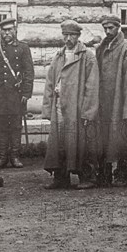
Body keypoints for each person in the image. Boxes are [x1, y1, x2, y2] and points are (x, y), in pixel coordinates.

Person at [42, 20, 100, 190]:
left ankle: (87, 177)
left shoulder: (87, 56)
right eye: (65, 35)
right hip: (60, 105)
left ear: (78, 36)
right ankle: (61, 177)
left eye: (72, 35)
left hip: (77, 107)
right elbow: (50, 82)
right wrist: (47, 107)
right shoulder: (59, 55)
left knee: (81, 142)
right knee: (60, 141)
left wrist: (88, 111)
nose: (68, 39)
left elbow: (92, 85)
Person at [95, 15, 127, 186]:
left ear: (118, 27)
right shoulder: (101, 48)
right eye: (105, 28)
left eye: (111, 28)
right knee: (103, 138)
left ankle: (121, 172)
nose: (107, 31)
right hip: (103, 102)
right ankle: (104, 173)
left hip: (119, 102)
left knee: (122, 138)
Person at [0, 18, 34, 170]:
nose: (7, 33)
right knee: (1, 126)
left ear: (15, 30)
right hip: (0, 94)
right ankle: (2, 158)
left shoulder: (23, 48)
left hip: (16, 94)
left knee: (16, 126)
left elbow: (29, 72)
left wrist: (26, 92)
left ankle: (15, 157)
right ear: (0, 32)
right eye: (4, 30)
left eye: (10, 30)